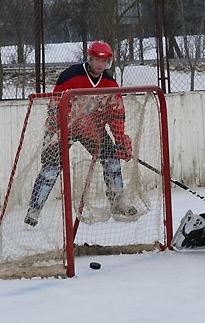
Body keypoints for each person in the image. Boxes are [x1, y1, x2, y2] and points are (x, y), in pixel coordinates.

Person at [25, 41, 135, 226]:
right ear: (90, 58)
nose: (100, 64)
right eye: (97, 60)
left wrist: (120, 139)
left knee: (112, 159)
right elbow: (55, 106)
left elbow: (116, 114)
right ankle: (34, 209)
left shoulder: (109, 83)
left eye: (104, 61)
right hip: (61, 127)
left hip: (91, 129)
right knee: (51, 167)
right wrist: (65, 125)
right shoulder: (70, 75)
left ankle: (117, 201)